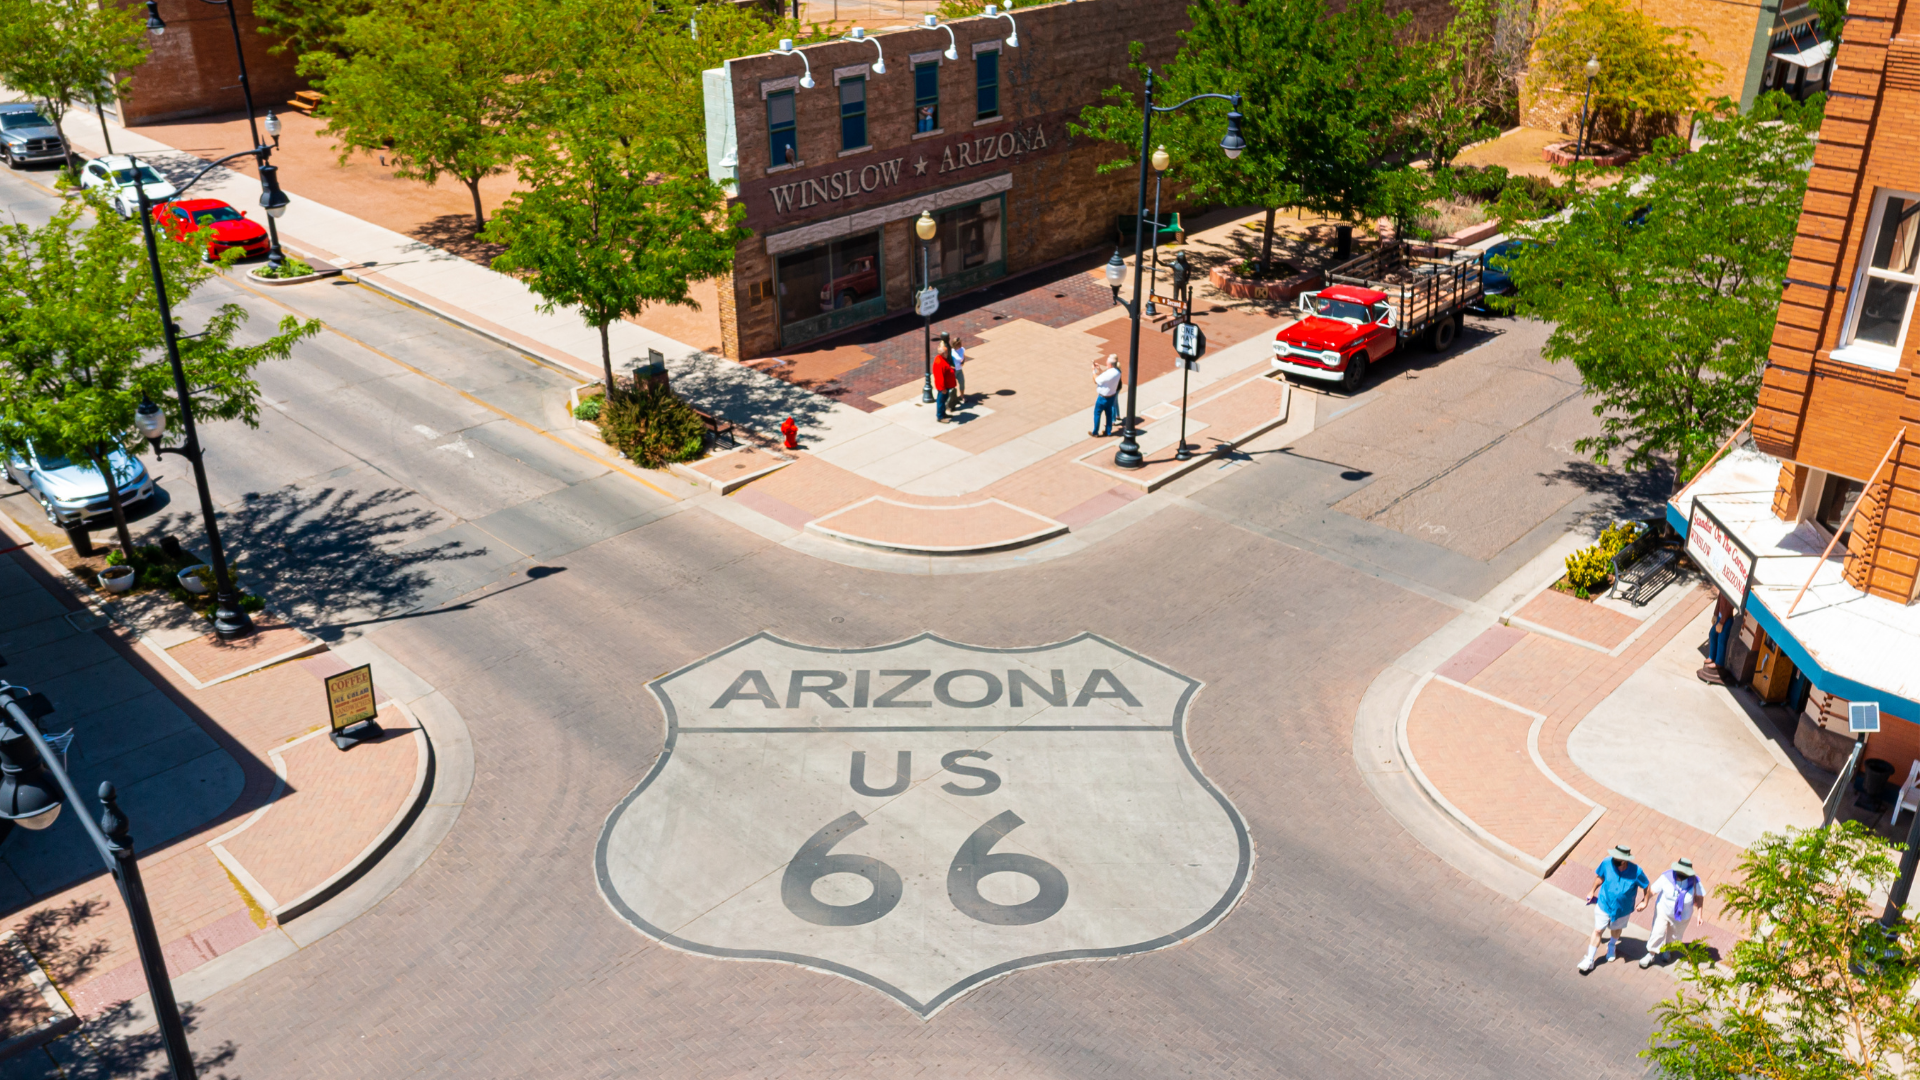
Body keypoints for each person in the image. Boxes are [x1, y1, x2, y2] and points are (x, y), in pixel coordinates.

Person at [1580, 844, 1649, 974]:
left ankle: (1612, 945)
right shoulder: (1607, 862)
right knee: (1598, 930)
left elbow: (1646, 885)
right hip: (1604, 904)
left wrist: (1645, 902)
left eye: (1618, 859)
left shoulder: (1636, 871)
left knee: (1616, 930)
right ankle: (1589, 959)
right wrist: (1591, 891)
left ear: (1625, 860)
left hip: (1622, 909)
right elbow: (1600, 878)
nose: (1614, 860)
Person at [1641, 858, 1705, 968]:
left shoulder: (1695, 882)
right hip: (1663, 911)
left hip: (1682, 916)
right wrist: (1644, 902)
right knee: (1657, 932)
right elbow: (1653, 890)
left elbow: (1700, 897)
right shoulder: (1667, 877)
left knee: (1675, 936)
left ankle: (1668, 950)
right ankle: (1651, 954)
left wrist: (1699, 914)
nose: (1681, 875)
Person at [1091, 354, 1122, 436]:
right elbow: (1107, 377)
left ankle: (1095, 432)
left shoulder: (1108, 374)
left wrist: (1093, 371)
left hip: (1102, 397)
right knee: (1108, 414)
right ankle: (1108, 431)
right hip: (1111, 396)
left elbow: (1096, 380)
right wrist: (1100, 370)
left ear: (1110, 364)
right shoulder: (1118, 372)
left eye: (1107, 363)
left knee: (1097, 413)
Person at [932, 344, 958, 423]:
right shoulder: (939, 362)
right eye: (946, 352)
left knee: (943, 400)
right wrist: (943, 388)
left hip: (946, 385)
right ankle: (940, 417)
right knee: (941, 401)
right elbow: (940, 377)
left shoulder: (941, 359)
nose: (948, 353)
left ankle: (943, 414)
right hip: (944, 387)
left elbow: (946, 369)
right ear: (943, 353)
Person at [943, 333, 968, 409]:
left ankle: (962, 396)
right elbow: (949, 360)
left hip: (960, 369)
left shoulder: (962, 349)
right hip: (953, 371)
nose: (959, 346)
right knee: (952, 386)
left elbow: (963, 357)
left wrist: (963, 361)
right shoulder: (952, 352)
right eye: (958, 344)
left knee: (962, 383)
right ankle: (952, 399)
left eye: (960, 344)